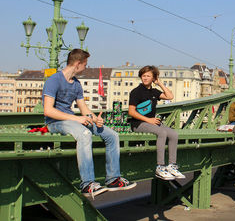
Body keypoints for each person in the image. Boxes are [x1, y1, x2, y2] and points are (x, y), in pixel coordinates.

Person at [43, 49, 136, 198]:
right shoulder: (54, 80)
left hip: (71, 121)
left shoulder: (76, 84)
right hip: (55, 122)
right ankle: (87, 184)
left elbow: (84, 109)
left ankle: (113, 179)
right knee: (85, 133)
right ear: (78, 64)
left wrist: (94, 119)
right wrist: (78, 119)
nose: (86, 67)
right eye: (85, 64)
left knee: (112, 135)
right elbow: (48, 111)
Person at [128, 65, 185, 180]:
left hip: (152, 123)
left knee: (174, 134)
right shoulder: (136, 92)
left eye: (148, 76)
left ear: (153, 78)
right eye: (143, 76)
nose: (145, 78)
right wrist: (149, 120)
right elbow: (131, 112)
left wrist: (159, 83)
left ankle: (172, 165)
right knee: (162, 133)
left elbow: (170, 96)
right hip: (138, 124)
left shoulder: (154, 91)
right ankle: (160, 167)